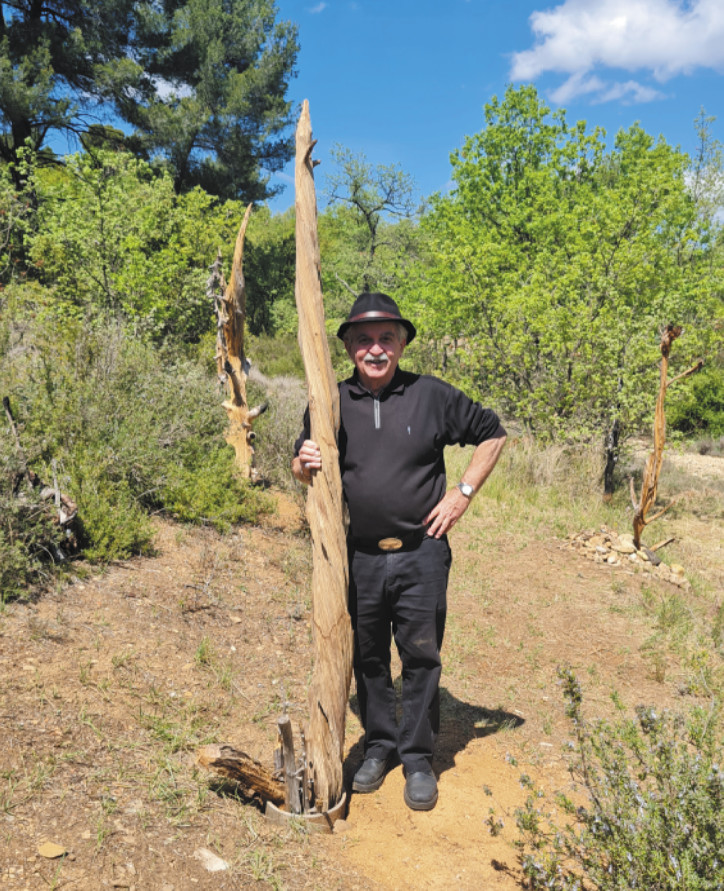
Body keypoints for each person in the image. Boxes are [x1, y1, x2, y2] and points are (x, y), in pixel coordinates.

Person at [292, 292, 506, 811]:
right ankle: (379, 745)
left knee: (420, 656)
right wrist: (304, 462)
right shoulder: (331, 400)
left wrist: (463, 494)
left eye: (387, 338)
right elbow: (303, 467)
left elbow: (493, 433)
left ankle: (416, 758)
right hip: (359, 554)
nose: (375, 349)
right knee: (367, 656)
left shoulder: (430, 395)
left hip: (421, 552)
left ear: (403, 343)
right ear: (347, 348)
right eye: (363, 339)